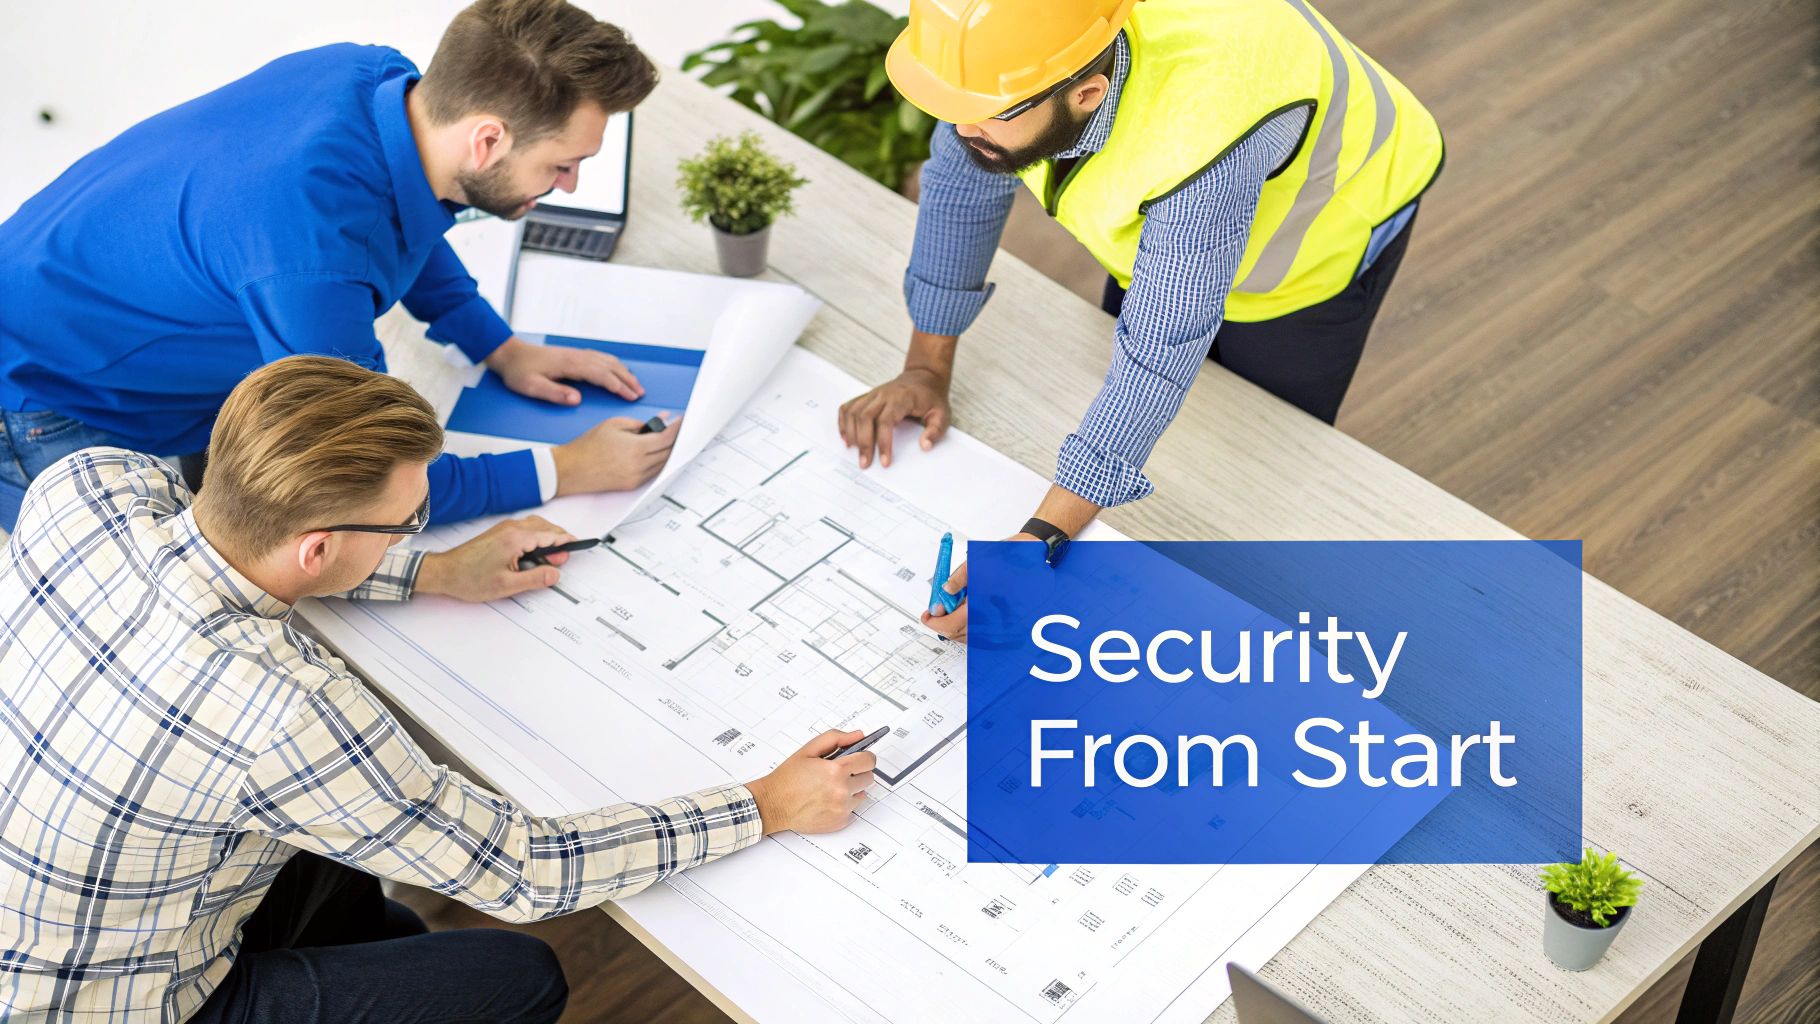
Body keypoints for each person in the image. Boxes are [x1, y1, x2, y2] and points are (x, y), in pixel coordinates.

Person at [0, 356, 876, 1023]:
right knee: (517, 977)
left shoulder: (84, 487)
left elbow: (240, 536)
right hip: (113, 1004)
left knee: (355, 874)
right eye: (404, 524)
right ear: (319, 548)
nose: (411, 531)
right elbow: (524, 874)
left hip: (49, 905)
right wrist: (765, 803)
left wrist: (433, 573)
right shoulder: (284, 714)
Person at [839, 0, 1444, 639]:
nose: (961, 128)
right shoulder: (1007, 74)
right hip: (1179, 189)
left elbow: (1161, 344)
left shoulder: (1201, 130)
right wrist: (924, 369)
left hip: (1322, 229)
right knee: (1143, 429)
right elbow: (962, 189)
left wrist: (1040, 539)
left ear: (1087, 93)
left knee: (1249, 461)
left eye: (984, 112)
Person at [0, 0, 676, 533]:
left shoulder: (371, 75)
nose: (571, 186)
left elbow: (401, 214)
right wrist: (561, 469)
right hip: (42, 402)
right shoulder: (313, 264)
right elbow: (366, 479)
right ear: (488, 139)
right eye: (562, 164)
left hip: (51, 289)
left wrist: (497, 347)